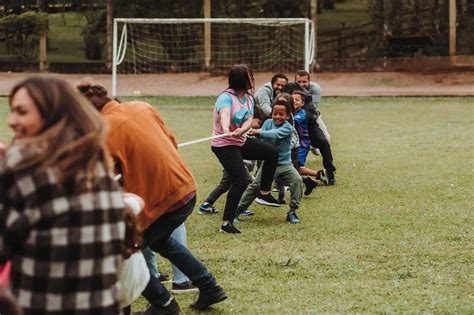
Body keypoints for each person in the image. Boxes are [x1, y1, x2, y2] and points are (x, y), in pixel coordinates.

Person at [78, 79, 226, 314]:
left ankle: (163, 303)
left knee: (122, 251)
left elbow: (103, 179)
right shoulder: (142, 106)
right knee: (159, 240)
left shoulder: (105, 130)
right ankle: (208, 286)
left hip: (162, 201)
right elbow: (172, 142)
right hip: (186, 189)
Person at [0, 76, 125, 314]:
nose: (11, 121)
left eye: (21, 112)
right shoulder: (97, 164)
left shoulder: (23, 164)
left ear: (52, 114)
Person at [211, 64, 280, 234]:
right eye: (250, 75)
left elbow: (249, 119)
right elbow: (225, 115)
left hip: (240, 141)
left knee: (271, 153)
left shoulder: (249, 98)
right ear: (243, 79)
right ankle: (226, 223)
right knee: (241, 180)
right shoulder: (226, 98)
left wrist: (242, 129)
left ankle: (264, 192)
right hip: (224, 145)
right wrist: (226, 130)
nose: (253, 79)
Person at [239, 99, 303, 224]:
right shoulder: (268, 123)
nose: (277, 116)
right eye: (275, 113)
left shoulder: (288, 128)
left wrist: (258, 132)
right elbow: (263, 140)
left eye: (281, 114)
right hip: (268, 165)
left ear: (288, 115)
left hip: (285, 165)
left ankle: (292, 211)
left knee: (297, 180)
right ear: (271, 113)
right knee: (256, 186)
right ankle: (238, 210)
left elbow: (275, 134)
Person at [198, 106, 266, 218]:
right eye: (258, 122)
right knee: (245, 182)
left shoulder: (250, 132)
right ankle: (239, 207)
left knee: (225, 184)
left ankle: (207, 204)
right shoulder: (244, 130)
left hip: (236, 165)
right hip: (237, 164)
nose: (259, 125)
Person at [294, 70, 336, 185]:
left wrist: (297, 118)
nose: (302, 84)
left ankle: (330, 172)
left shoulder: (314, 90)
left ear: (309, 81)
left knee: (324, 141)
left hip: (311, 121)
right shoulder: (290, 90)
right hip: (294, 123)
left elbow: (311, 110)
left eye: (304, 81)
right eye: (299, 82)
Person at [292, 90, 324, 194]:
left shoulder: (301, 114)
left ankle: (312, 179)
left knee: (296, 168)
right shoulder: (292, 113)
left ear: (302, 103)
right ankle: (316, 177)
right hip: (293, 145)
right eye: (292, 100)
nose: (294, 101)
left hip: (302, 145)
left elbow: (293, 122)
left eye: (297, 100)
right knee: (296, 168)